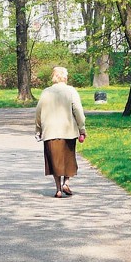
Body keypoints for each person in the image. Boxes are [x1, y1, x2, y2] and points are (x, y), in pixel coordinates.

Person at [35, 66, 86, 198]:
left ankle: (58, 189)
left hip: (50, 131)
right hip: (68, 130)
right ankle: (66, 183)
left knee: (54, 161)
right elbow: (78, 111)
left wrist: (38, 129)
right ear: (65, 76)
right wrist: (82, 128)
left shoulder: (46, 92)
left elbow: (38, 112)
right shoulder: (71, 91)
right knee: (69, 159)